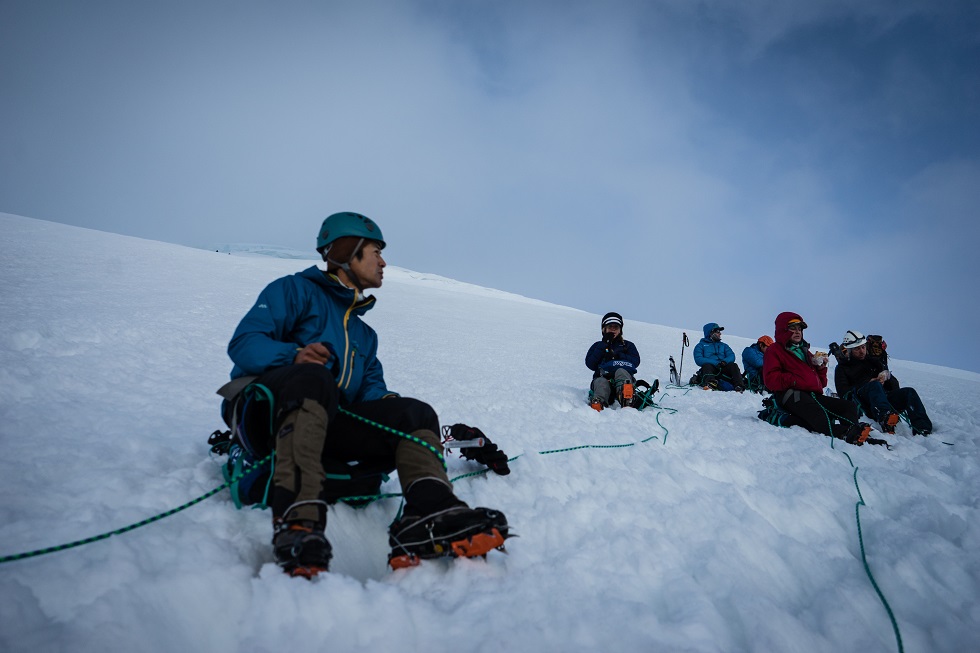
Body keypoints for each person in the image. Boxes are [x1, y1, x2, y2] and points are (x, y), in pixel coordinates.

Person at [220, 211, 508, 577]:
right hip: (265, 415)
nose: (384, 261)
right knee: (314, 376)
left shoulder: (365, 337)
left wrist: (401, 415)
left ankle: (431, 512)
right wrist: (294, 356)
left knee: (415, 413)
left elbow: (373, 393)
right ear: (346, 252)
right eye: (375, 251)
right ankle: (298, 523)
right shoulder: (292, 290)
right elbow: (244, 344)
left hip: (324, 427)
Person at [762, 312, 876, 445]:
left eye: (800, 329)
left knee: (848, 407)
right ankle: (844, 433)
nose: (798, 332)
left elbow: (821, 384)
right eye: (793, 328)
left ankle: (858, 433)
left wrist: (821, 369)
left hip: (811, 395)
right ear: (783, 329)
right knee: (817, 412)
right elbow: (770, 380)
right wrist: (796, 380)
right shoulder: (775, 350)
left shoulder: (807, 353)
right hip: (790, 394)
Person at [834, 330, 933, 435]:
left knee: (909, 392)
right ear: (849, 351)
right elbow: (843, 392)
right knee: (874, 385)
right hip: (863, 403)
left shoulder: (873, 362)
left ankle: (922, 428)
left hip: (883, 398)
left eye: (863, 347)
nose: (862, 351)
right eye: (857, 349)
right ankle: (885, 418)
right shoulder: (842, 368)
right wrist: (868, 383)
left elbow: (895, 385)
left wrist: (887, 377)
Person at [585, 312, 641, 411]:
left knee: (621, 371)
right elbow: (590, 364)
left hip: (623, 380)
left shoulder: (627, 345)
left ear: (620, 330)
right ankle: (598, 402)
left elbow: (636, 361)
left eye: (616, 327)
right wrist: (603, 345)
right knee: (601, 382)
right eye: (610, 327)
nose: (613, 329)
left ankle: (627, 397)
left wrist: (619, 356)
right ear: (604, 329)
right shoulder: (598, 345)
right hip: (603, 378)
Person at [692, 323, 745, 392]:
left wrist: (725, 361)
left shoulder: (724, 345)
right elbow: (698, 359)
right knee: (707, 365)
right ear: (711, 333)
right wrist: (716, 363)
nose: (720, 334)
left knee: (733, 365)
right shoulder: (701, 345)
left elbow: (731, 356)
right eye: (717, 332)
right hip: (711, 369)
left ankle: (739, 385)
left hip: (723, 367)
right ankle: (710, 383)